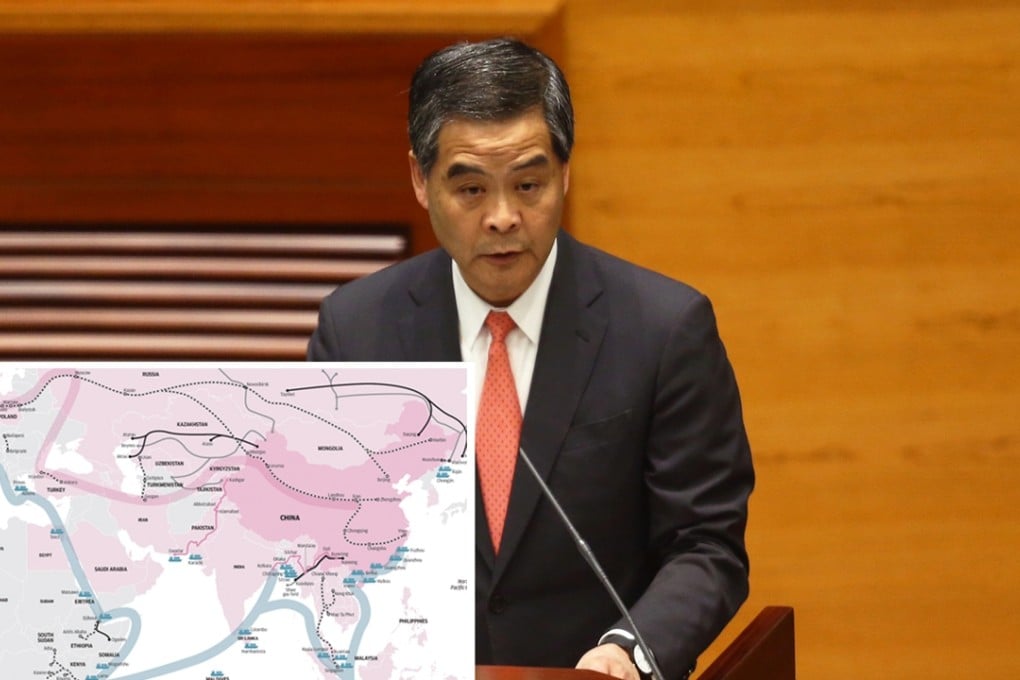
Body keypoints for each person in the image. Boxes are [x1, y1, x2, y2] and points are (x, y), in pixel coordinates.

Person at [307, 37, 754, 680]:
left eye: (529, 183)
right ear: (419, 179)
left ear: (566, 173)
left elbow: (706, 543)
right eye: (470, 189)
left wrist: (630, 650)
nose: (503, 217)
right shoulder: (356, 333)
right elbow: (323, 533)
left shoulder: (664, 330)